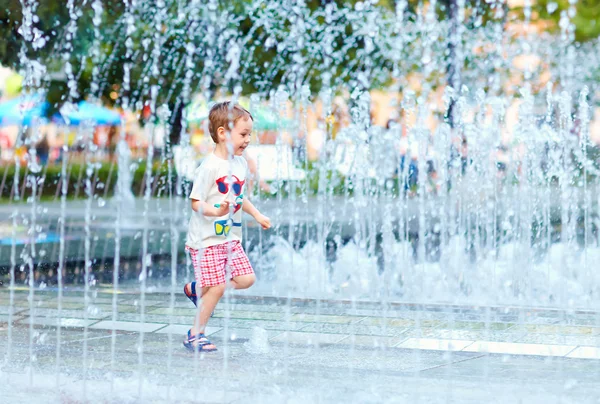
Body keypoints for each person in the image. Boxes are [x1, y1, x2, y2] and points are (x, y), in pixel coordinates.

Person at [182, 101, 272, 352]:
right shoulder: (209, 167)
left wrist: (257, 214)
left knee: (246, 278)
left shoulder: (240, 164)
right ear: (223, 133)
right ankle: (195, 334)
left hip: (230, 237)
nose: (248, 140)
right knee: (218, 287)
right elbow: (196, 202)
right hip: (206, 240)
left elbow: (240, 197)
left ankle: (197, 289)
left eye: (249, 134)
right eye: (243, 134)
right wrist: (216, 211)